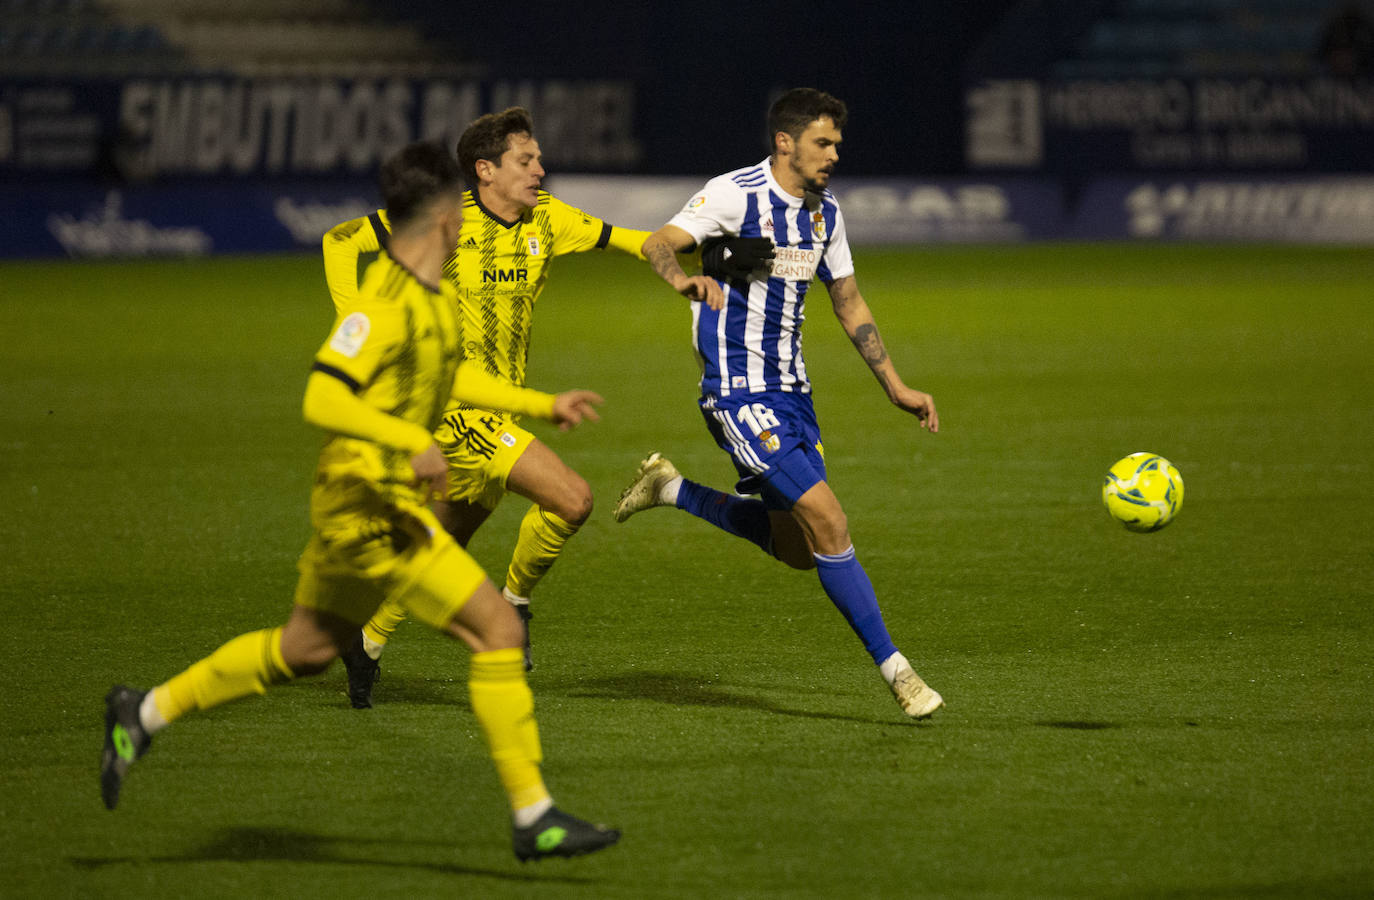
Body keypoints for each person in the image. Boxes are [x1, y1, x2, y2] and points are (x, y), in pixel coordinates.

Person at [100, 140, 621, 861]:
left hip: (379, 507)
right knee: (497, 630)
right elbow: (321, 394)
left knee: (304, 649)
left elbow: (455, 381)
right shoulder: (381, 306)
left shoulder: (433, 301)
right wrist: (402, 439)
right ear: (444, 215)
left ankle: (143, 712)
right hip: (364, 509)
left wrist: (540, 401)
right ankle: (533, 815)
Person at [324, 107, 704, 703]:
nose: (540, 169)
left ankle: (366, 640)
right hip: (450, 409)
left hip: (500, 408)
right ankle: (515, 605)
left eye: (538, 158)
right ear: (485, 169)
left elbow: (635, 242)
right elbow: (340, 241)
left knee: (443, 539)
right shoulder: (443, 219)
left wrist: (696, 264)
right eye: (526, 161)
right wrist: (357, 317)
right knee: (573, 499)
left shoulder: (548, 219)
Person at [614, 88, 944, 720]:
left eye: (838, 144)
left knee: (798, 548)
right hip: (736, 392)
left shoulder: (825, 214)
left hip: (793, 393)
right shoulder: (734, 193)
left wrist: (895, 385)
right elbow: (659, 241)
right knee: (831, 522)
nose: (834, 155)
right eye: (824, 143)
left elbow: (847, 301)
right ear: (785, 143)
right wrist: (682, 276)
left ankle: (673, 490)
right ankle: (900, 673)